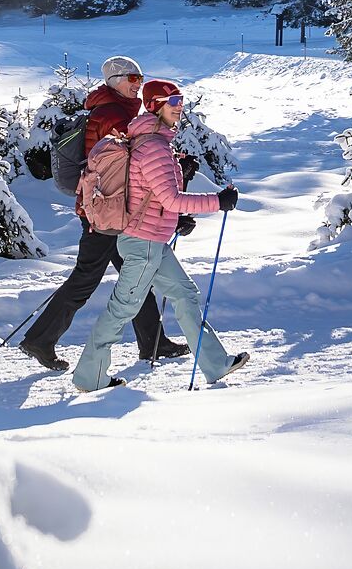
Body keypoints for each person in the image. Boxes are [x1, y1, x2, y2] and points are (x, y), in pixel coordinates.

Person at [71, 80, 246, 393]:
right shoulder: (153, 147)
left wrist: (172, 217)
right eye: (173, 100)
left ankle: (215, 363)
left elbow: (153, 198)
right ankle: (90, 376)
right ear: (154, 105)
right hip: (143, 245)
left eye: (180, 100)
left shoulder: (154, 142)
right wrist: (217, 202)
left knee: (184, 294)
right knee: (122, 308)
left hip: (151, 241)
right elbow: (172, 200)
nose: (179, 106)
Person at [16, 55, 182, 371]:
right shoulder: (112, 115)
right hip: (106, 213)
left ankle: (153, 342)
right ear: (114, 81)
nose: (138, 85)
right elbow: (134, 162)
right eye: (132, 79)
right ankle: (40, 339)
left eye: (140, 79)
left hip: (111, 208)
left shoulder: (113, 111)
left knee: (136, 272)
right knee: (87, 278)